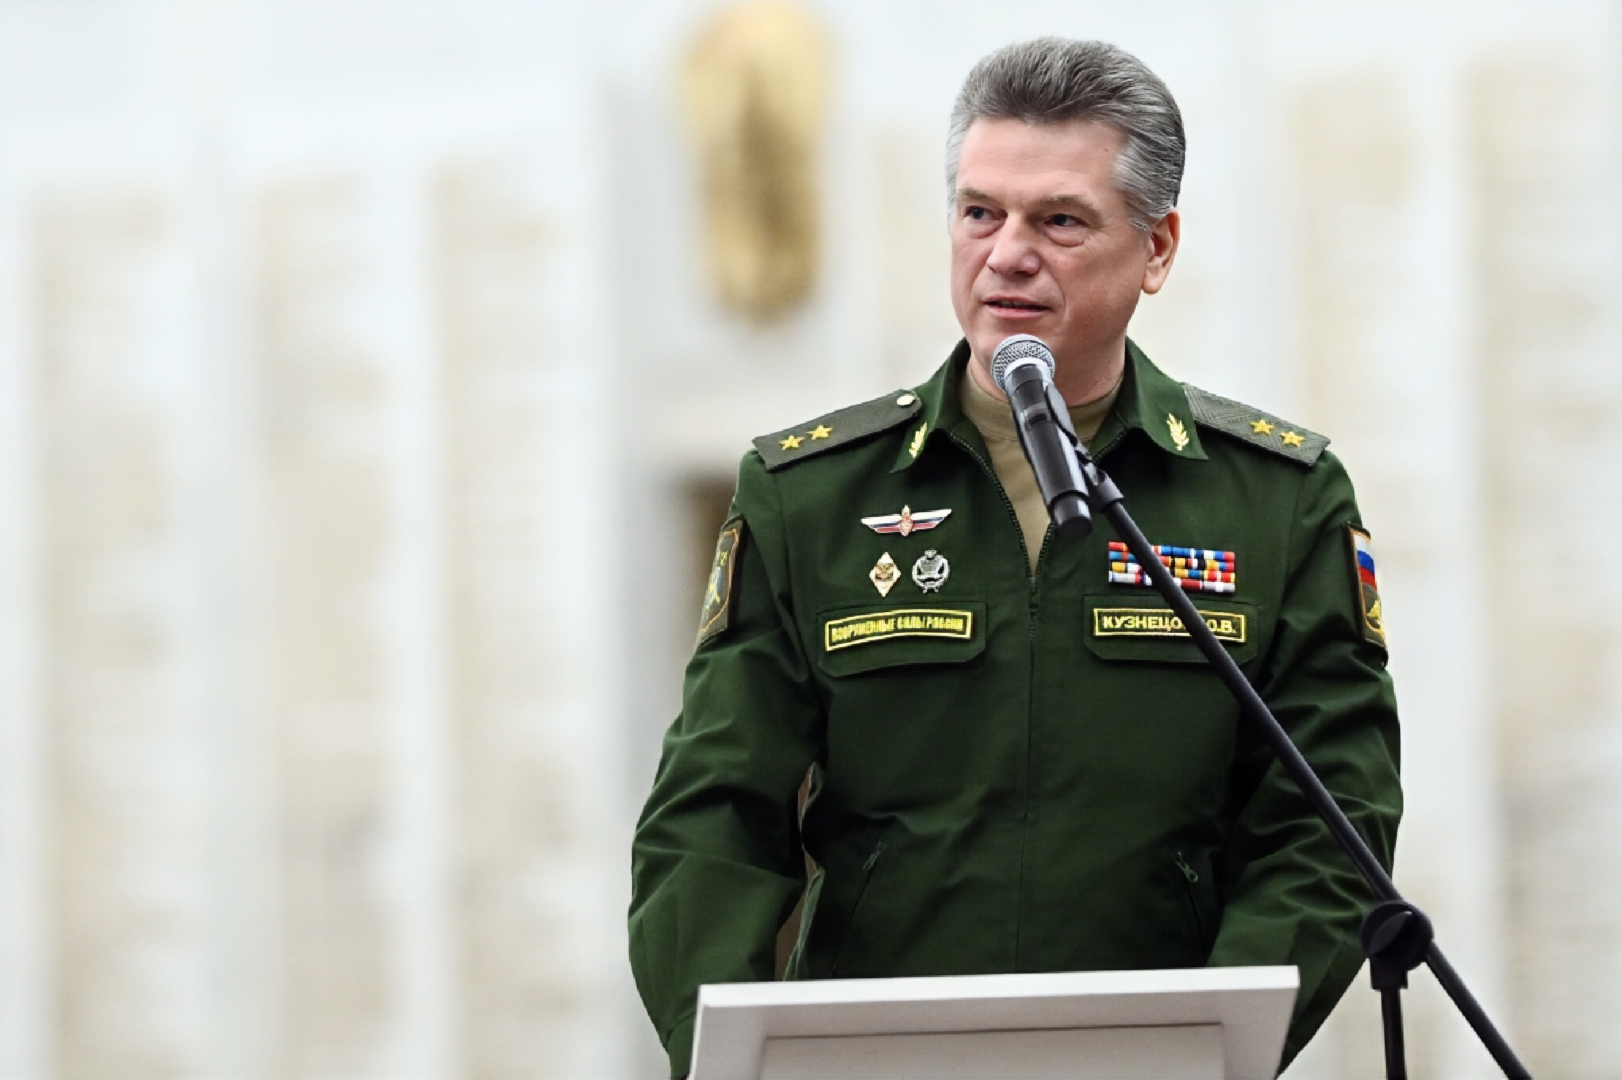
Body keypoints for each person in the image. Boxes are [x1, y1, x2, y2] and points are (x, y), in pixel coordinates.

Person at [630, 37, 1401, 1077]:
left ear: (1157, 248)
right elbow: (710, 818)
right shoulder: (811, 496)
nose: (1005, 255)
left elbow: (1327, 821)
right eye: (979, 212)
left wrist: (1213, 1046)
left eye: (1059, 221)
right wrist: (729, 1058)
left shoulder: (1276, 500)